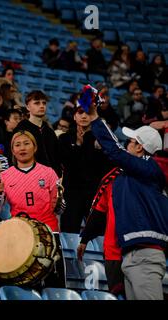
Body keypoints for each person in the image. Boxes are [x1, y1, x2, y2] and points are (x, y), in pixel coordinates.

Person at [88, 101, 168, 300]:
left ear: (140, 147)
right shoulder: (131, 175)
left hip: (145, 255)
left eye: (131, 142)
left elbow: (115, 152)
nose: (126, 145)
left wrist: (95, 118)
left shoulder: (154, 168)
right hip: (130, 254)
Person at [0, 130, 65, 287]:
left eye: (26, 143)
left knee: (55, 285)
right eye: (17, 145)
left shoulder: (49, 173)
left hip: (49, 233)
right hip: (19, 236)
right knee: (24, 287)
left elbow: (59, 210)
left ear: (35, 147)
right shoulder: (4, 176)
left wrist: (60, 201)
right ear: (13, 150)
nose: (22, 148)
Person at [59, 106, 111, 233]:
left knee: (97, 234)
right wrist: (79, 146)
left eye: (88, 113)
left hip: (93, 194)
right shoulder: (64, 138)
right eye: (80, 112)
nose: (84, 116)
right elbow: (68, 163)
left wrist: (87, 140)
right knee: (68, 232)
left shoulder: (102, 140)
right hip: (71, 193)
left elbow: (100, 167)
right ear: (74, 116)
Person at [77, 167, 126, 297]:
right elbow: (100, 208)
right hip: (114, 252)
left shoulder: (153, 172)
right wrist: (85, 238)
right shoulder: (113, 177)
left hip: (142, 249)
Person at [15, 90, 62, 177]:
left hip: (52, 179)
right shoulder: (21, 129)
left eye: (44, 103)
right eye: (37, 103)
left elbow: (56, 157)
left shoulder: (49, 131)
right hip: (30, 177)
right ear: (28, 107)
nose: (41, 106)